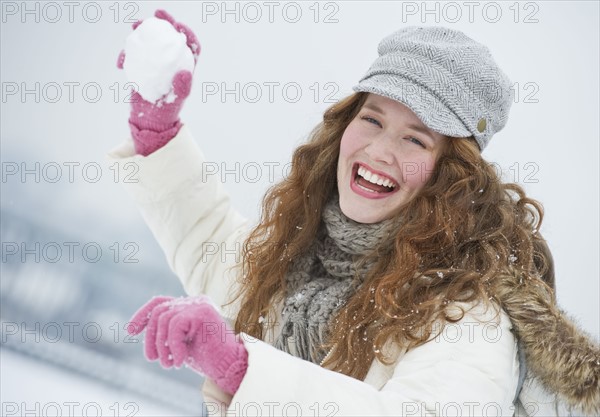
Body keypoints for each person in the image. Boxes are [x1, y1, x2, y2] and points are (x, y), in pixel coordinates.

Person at [110, 10, 599, 417]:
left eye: (415, 138)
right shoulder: (298, 256)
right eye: (372, 119)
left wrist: (242, 369)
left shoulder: (468, 315)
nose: (380, 150)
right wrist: (157, 131)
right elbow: (211, 242)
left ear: (451, 175)